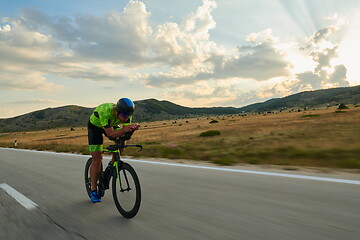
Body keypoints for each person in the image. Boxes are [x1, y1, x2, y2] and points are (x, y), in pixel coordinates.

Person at [87, 98, 140, 203]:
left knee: (122, 142)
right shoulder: (106, 112)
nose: (126, 119)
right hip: (95, 127)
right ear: (117, 111)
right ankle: (93, 189)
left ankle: (112, 164)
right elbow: (111, 134)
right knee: (97, 159)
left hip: (110, 124)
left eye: (128, 116)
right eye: (124, 116)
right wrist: (124, 129)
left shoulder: (126, 114)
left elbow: (124, 136)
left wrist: (131, 131)